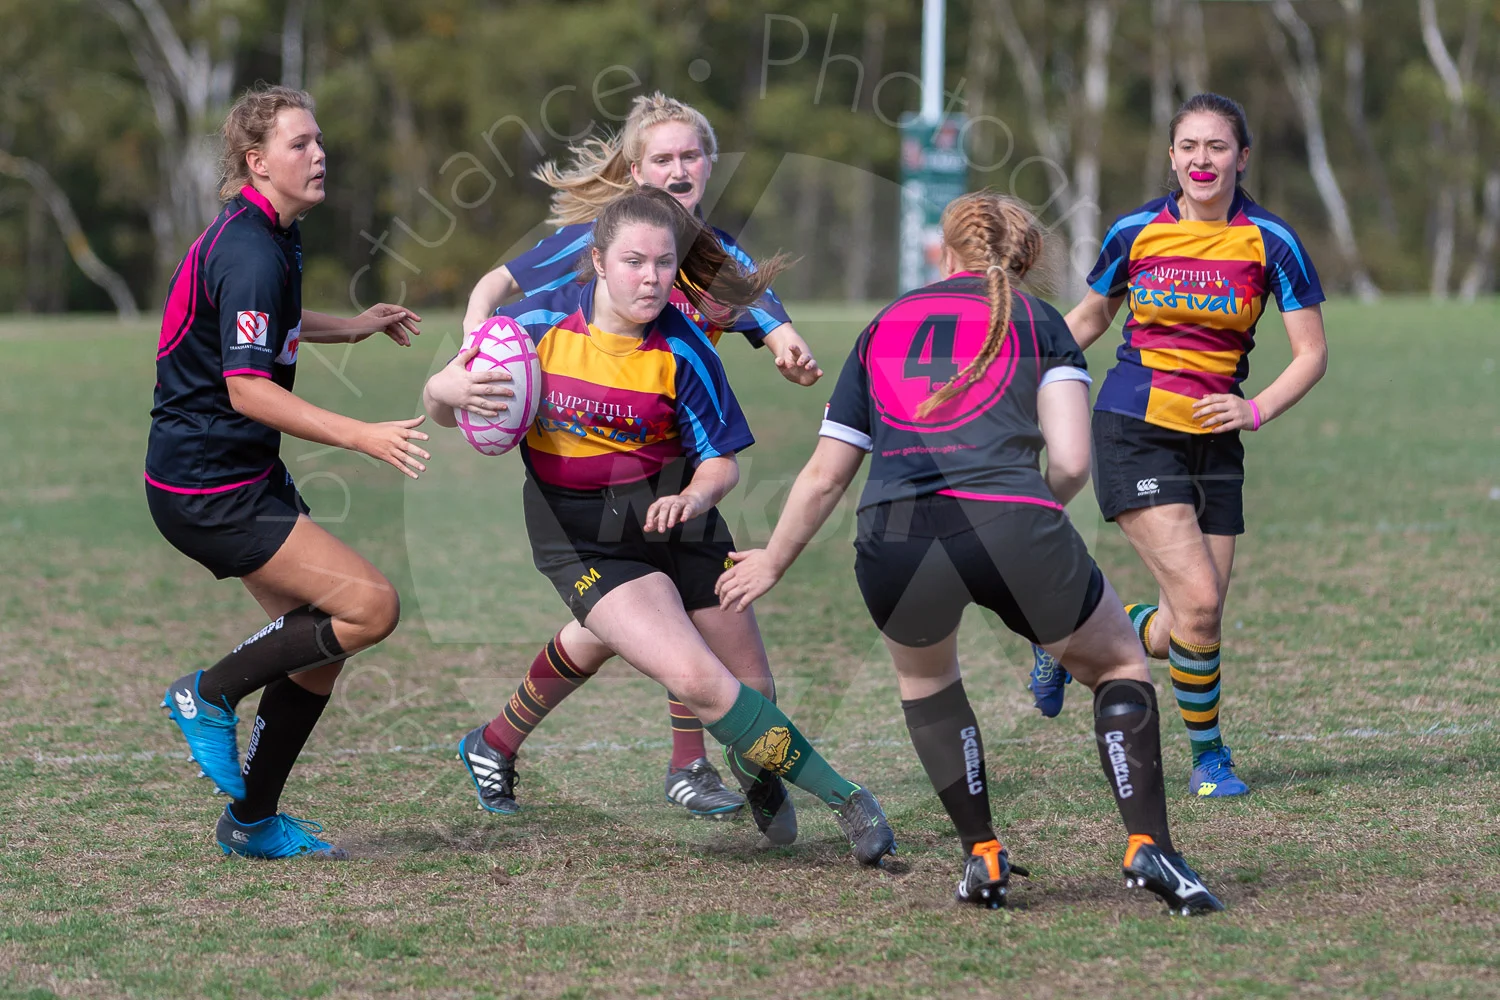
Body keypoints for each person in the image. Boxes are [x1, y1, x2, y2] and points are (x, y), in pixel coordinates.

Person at [716, 191, 1223, 913]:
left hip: (893, 534)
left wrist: (773, 559)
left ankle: (982, 854)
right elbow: (1074, 461)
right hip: (1009, 520)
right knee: (1116, 663)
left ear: (943, 253)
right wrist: (1031, 511)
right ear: (1029, 259)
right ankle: (1149, 847)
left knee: (928, 684)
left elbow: (828, 473)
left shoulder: (883, 325)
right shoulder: (1041, 321)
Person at [423, 187, 896, 866]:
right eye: (634, 261)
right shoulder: (532, 328)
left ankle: (757, 767)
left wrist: (698, 499)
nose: (650, 277)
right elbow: (445, 402)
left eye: (664, 263)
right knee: (704, 683)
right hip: (588, 540)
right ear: (598, 262)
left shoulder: (684, 352)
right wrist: (447, 391)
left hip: (683, 522)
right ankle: (848, 799)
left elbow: (721, 465)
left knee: (754, 691)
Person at [428, 93, 821, 821]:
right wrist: (476, 337)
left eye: (691, 155)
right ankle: (684, 766)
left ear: (709, 164)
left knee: (635, 623)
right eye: (662, 157)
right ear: (635, 169)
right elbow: (496, 283)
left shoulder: (711, 251)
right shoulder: (598, 238)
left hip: (674, 457)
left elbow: (758, 306)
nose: (678, 169)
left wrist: (784, 344)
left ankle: (500, 741)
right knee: (654, 621)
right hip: (593, 467)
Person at [149, 86, 429, 859]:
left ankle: (251, 822)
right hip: (208, 485)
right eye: (300, 144)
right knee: (371, 607)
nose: (318, 155)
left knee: (318, 644)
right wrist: (360, 435)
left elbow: (275, 322)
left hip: (234, 473)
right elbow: (245, 386)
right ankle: (206, 694)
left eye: (319, 141)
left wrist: (356, 327)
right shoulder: (246, 247)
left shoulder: (267, 234)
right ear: (256, 161)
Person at [1027, 93, 1327, 799]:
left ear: (1242, 157)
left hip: (1218, 439)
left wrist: (1254, 411)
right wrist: (1020, 372)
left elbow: (1311, 353)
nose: (1202, 160)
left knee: (1193, 617)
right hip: (1134, 426)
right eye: (1188, 146)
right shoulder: (1136, 232)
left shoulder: (1271, 241)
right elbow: (1091, 316)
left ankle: (1065, 638)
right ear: (1171, 157)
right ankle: (1210, 759)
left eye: (1217, 147)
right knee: (1195, 604)